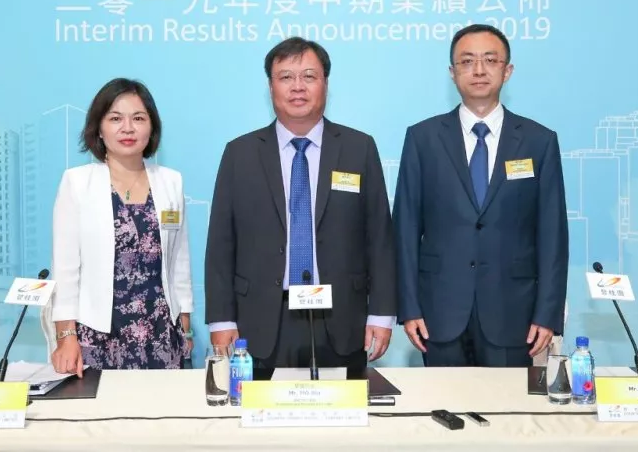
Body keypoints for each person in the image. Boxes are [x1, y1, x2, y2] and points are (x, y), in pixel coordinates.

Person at [205, 37, 397, 370]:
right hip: (261, 321)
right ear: (270, 87)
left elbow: (379, 238)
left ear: (325, 84)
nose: (298, 87)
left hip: (342, 319)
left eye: (309, 76)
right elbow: (221, 243)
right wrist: (222, 320)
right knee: (262, 403)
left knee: (342, 403)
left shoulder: (359, 148)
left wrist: (381, 314)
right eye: (286, 77)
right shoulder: (240, 153)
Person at [393, 24, 568, 368]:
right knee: (443, 401)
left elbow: (553, 235)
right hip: (438, 313)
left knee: (508, 402)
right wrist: (408, 307)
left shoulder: (539, 141)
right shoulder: (423, 138)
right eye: (467, 61)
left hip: (514, 313)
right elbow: (405, 229)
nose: (478, 70)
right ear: (452, 72)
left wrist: (547, 314)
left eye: (490, 60)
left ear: (507, 70)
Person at [50, 78, 193, 374]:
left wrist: (186, 324)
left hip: (161, 332)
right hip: (98, 333)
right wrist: (66, 336)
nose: (128, 128)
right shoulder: (78, 183)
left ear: (151, 127)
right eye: (115, 118)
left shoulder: (171, 182)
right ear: (99, 128)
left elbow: (179, 259)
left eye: (138, 118)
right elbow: (65, 268)